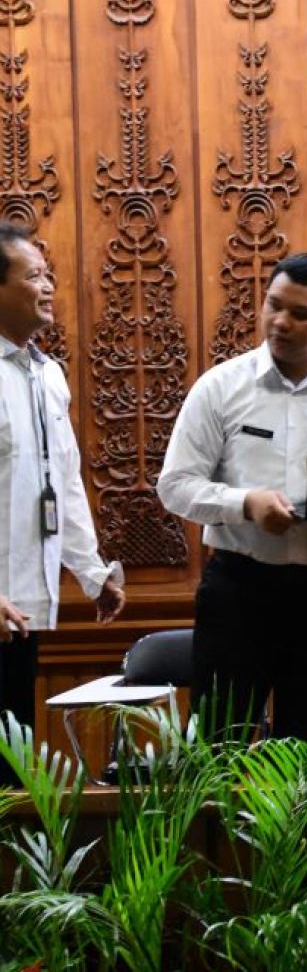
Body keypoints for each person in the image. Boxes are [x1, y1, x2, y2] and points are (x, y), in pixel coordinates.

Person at [157, 252, 307, 742]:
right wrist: (246, 503)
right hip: (240, 589)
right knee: (220, 748)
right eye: (273, 305)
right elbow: (175, 485)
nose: (280, 322)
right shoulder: (220, 388)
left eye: (300, 313)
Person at [0, 221, 125, 784]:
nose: (48, 287)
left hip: (22, 614)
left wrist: (92, 573)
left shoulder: (48, 374)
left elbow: (65, 481)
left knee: (13, 782)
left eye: (48, 275)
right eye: (34, 276)